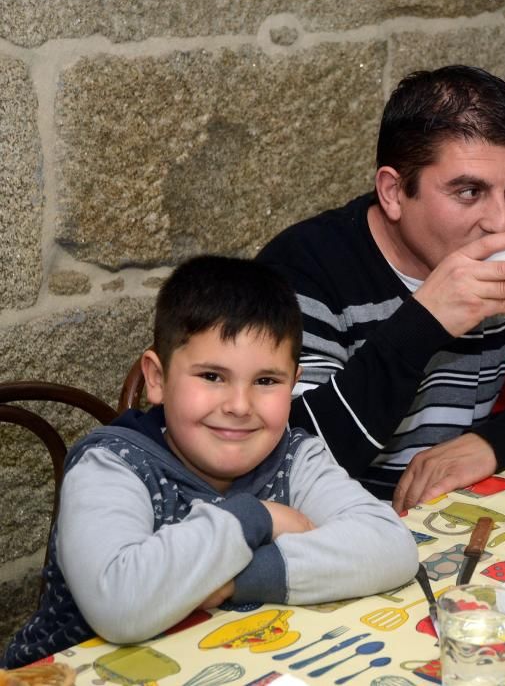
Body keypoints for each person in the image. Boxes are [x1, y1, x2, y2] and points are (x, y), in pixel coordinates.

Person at [258, 65, 505, 511]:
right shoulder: (304, 271)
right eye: (469, 192)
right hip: (339, 536)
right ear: (393, 192)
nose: (502, 221)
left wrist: (490, 445)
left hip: (452, 522)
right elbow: (291, 457)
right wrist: (423, 323)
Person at [4, 256, 418, 668]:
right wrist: (258, 517)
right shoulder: (112, 466)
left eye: (266, 381)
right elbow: (121, 604)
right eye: (212, 377)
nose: (239, 406)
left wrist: (237, 579)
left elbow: (391, 547)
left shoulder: (294, 456)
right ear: (158, 379)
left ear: (294, 383)